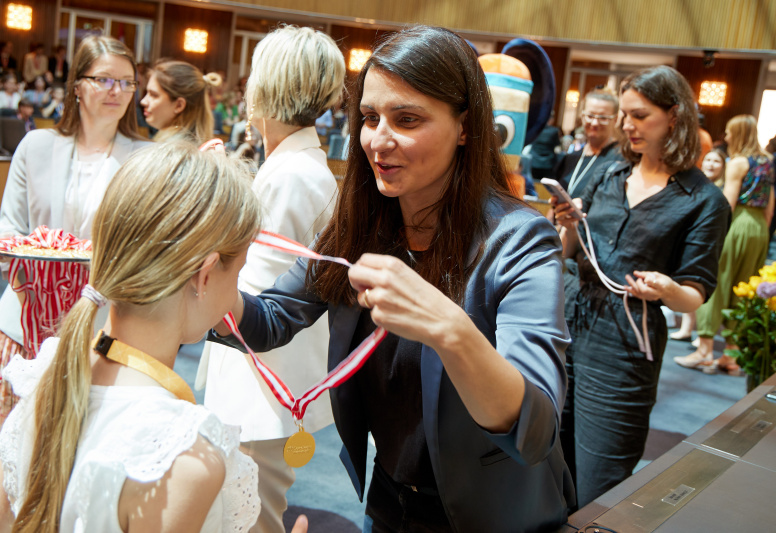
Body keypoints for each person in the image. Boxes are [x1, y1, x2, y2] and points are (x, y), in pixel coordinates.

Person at [210, 25, 575, 532]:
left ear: (465, 126)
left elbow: (534, 430)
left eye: (407, 119)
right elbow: (270, 318)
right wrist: (203, 275)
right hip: (387, 500)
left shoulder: (519, 239)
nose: (378, 141)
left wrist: (451, 330)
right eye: (369, 118)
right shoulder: (361, 226)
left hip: (489, 516)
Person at [0, 141, 309, 533]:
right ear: (204, 276)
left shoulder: (48, 380)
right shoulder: (184, 457)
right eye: (238, 272)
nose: (236, 290)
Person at [0, 35, 149, 512]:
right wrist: (20, 255)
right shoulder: (37, 145)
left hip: (99, 328)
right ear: (77, 85)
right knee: (6, 451)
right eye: (104, 80)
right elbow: (9, 229)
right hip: (26, 319)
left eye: (127, 82)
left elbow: (140, 246)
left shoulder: (142, 158)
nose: (116, 91)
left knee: (70, 456)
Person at [554, 65, 730, 508]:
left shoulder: (703, 201)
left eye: (639, 115)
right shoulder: (610, 173)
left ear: (674, 116)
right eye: (625, 115)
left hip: (624, 344)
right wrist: (569, 223)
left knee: (599, 481)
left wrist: (666, 289)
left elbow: (695, 292)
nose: (627, 125)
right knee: (548, 462)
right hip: (567, 322)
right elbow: (570, 252)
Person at [201, 25, 345, 533]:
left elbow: (252, 299)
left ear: (266, 86)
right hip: (262, 375)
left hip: (262, 381)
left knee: (248, 518)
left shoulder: (292, 175)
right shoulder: (292, 165)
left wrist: (209, 204)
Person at [676, 116, 775, 372]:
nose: (727, 137)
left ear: (738, 134)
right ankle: (731, 353)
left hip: (737, 223)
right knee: (742, 288)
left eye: (730, 132)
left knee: (716, 282)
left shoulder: (738, 162)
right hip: (758, 228)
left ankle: (705, 350)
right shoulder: (767, 162)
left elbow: (726, 204)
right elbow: (770, 205)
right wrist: (762, 233)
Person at [670, 148, 727, 342]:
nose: (711, 164)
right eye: (708, 160)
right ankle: (686, 328)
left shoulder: (721, 192)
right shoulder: (694, 186)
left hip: (713, 243)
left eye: (716, 161)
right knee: (686, 280)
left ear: (724, 167)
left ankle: (703, 335)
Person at [554, 89, 624, 198]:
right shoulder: (571, 158)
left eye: (603, 118)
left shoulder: (620, 159)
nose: (595, 123)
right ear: (582, 117)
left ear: (615, 120)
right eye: (590, 116)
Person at [140, 59, 222, 143]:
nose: (143, 101)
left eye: (154, 95)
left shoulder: (173, 148)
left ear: (179, 105)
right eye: (147, 93)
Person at [529, 113, 561, 180]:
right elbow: (557, 146)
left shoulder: (535, 129)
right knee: (546, 184)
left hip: (534, 161)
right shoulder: (554, 131)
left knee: (534, 182)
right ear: (551, 119)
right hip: (548, 163)